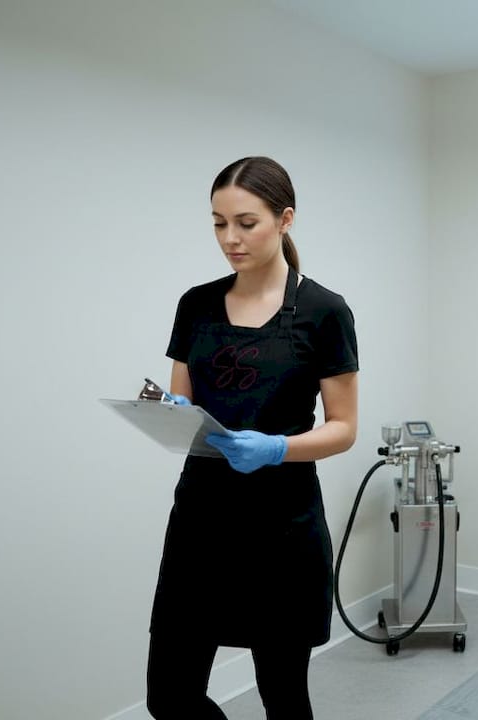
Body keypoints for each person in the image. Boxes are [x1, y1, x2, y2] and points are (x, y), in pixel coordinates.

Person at [145, 156, 359, 720]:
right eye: (218, 223)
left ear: (285, 220)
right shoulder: (195, 304)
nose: (230, 239)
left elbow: (344, 429)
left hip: (281, 529)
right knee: (169, 696)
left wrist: (278, 447)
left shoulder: (324, 311)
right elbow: (183, 400)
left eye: (246, 223)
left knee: (283, 697)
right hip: (200, 521)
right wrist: (171, 413)